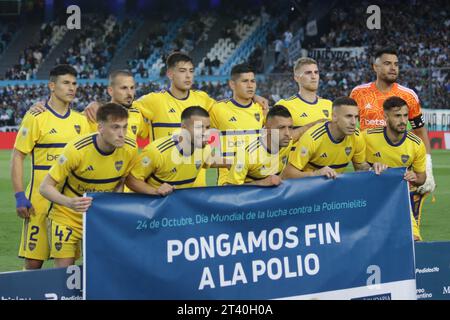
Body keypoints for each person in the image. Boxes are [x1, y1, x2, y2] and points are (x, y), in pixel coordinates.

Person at [10, 64, 91, 269]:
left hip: (69, 203)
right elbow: (18, 156)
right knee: (34, 261)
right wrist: (20, 195)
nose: (71, 88)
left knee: (67, 263)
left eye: (74, 83)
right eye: (66, 83)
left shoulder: (81, 121)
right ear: (51, 86)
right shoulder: (36, 117)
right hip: (40, 201)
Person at [39, 103, 138, 268]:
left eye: (124, 127)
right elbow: (45, 187)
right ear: (100, 128)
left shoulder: (130, 148)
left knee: (99, 269)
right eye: (115, 127)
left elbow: (121, 181)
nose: (122, 134)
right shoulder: (77, 150)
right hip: (67, 216)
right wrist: (69, 203)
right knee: (65, 272)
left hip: (98, 217)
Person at [350, 47, 435, 197]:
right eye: (388, 63)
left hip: (400, 171)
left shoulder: (408, 96)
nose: (393, 68)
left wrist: (427, 168)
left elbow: (420, 131)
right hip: (368, 167)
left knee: (401, 217)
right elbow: (349, 127)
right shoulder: (358, 93)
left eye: (396, 64)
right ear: (375, 67)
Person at [126, 106, 228, 195]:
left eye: (207, 127)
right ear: (184, 128)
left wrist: (234, 163)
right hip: (152, 211)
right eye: (199, 127)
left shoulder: (203, 148)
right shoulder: (157, 152)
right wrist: (155, 191)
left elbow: (212, 160)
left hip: (178, 211)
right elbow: (132, 180)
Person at [363, 96, 426, 240]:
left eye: (405, 115)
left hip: (400, 202)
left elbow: (422, 178)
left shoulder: (416, 144)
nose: (403, 120)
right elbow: (356, 163)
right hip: (369, 201)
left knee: (414, 242)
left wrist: (414, 178)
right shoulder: (366, 137)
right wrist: (370, 168)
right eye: (397, 116)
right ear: (385, 117)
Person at [282, 97, 383, 180]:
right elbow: (287, 175)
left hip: (331, 194)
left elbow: (360, 167)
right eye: (348, 116)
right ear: (334, 117)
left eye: (356, 117)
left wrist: (372, 168)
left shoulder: (356, 136)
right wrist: (315, 174)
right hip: (308, 192)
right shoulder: (313, 138)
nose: (353, 122)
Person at [209, 63, 265, 186]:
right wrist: (234, 163)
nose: (250, 85)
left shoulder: (261, 109)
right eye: (245, 81)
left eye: (253, 81)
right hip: (228, 182)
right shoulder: (218, 110)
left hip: (257, 181)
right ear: (232, 84)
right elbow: (210, 154)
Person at [225, 105, 294, 186]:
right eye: (281, 128)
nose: (288, 133)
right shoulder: (247, 154)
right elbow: (231, 187)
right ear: (267, 129)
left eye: (290, 127)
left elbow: (299, 133)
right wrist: (260, 183)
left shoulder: (287, 142)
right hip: (249, 197)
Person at [276, 57, 332, 138]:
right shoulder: (284, 106)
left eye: (316, 72)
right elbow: (275, 141)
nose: (314, 76)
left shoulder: (329, 104)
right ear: (296, 78)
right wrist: (314, 126)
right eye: (308, 73)